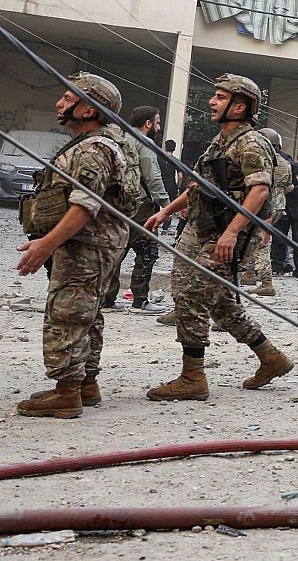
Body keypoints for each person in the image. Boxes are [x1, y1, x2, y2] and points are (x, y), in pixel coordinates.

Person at [141, 74, 295, 401]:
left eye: (220, 97)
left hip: (227, 233)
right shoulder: (220, 141)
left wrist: (232, 232)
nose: (212, 101)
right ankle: (271, 358)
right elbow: (199, 185)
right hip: (204, 227)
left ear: (239, 107)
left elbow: (260, 190)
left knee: (192, 295)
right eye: (214, 96)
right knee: (220, 302)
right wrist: (167, 211)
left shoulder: (251, 142)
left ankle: (192, 377)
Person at [15, 74, 134, 417]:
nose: (60, 104)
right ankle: (85, 384)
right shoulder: (101, 142)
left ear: (89, 109)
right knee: (88, 311)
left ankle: (67, 392)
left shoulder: (94, 147)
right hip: (96, 242)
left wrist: (45, 245)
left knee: (67, 312)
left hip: (86, 243)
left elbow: (85, 204)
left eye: (69, 99)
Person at [102, 105, 168, 312]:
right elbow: (152, 176)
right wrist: (166, 204)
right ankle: (140, 299)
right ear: (148, 124)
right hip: (141, 205)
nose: (158, 127)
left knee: (116, 249)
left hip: (117, 203)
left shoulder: (118, 140)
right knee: (147, 251)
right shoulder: (144, 143)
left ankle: (107, 299)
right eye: (157, 122)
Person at [244, 127, 291, 296]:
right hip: (279, 204)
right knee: (253, 238)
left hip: (263, 204)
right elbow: (289, 186)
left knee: (261, 242)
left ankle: (266, 282)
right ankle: (249, 274)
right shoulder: (285, 163)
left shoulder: (263, 160)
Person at [268, 131, 298, 279]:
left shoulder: (290, 165)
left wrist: (287, 188)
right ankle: (277, 266)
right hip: (282, 207)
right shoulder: (268, 163)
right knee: (278, 238)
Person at [159, 138, 180, 234]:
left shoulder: (158, 158)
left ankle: (154, 221)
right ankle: (166, 225)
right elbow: (180, 176)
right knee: (169, 206)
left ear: (165, 147)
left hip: (160, 183)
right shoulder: (176, 161)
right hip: (171, 185)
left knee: (156, 203)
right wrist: (178, 186)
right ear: (174, 149)